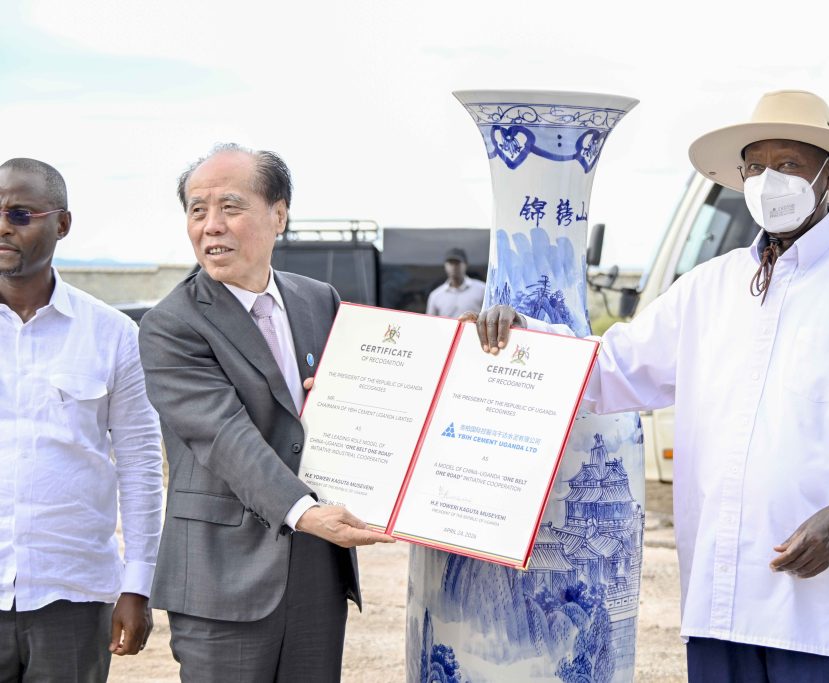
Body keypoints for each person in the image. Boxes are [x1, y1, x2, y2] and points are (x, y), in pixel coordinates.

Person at [471, 91, 829, 681]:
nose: (768, 181)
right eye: (755, 167)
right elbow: (612, 368)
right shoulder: (707, 288)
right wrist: (524, 340)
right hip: (722, 604)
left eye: (788, 165)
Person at [138, 144, 393, 682]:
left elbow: (379, 390)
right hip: (223, 577)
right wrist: (304, 512)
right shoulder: (171, 325)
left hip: (316, 571)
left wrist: (475, 346)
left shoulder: (318, 299)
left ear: (279, 214)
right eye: (197, 210)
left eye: (230, 207)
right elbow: (224, 436)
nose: (211, 226)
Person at [0, 158, 164, 681]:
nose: (3, 224)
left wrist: (137, 585)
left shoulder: (113, 335)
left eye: (20, 213)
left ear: (62, 224)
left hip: (71, 597)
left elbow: (140, 466)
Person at [425, 247, 485, 317]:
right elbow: (432, 322)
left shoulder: (482, 289)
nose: (454, 266)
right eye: (450, 263)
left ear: (466, 264)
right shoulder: (435, 295)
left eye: (457, 263)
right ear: (445, 265)